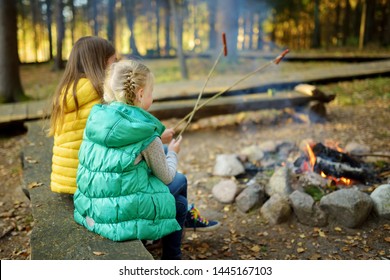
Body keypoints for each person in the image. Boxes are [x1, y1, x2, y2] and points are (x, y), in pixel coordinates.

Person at [47, 36, 219, 233]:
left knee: (158, 152)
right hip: (93, 187)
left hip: (72, 179)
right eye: (114, 62)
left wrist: (155, 138)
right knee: (170, 171)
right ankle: (180, 216)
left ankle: (181, 211)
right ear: (100, 62)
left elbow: (110, 137)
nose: (116, 67)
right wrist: (154, 139)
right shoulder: (98, 96)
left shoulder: (69, 92)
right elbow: (116, 138)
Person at [74, 60, 187, 259]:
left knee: (175, 199)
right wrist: (172, 152)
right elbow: (167, 177)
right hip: (116, 215)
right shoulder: (146, 133)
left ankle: (156, 239)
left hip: (91, 209)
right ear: (141, 93)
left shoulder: (99, 118)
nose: (152, 96)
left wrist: (159, 141)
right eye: (151, 92)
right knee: (180, 193)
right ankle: (172, 259)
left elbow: (123, 155)